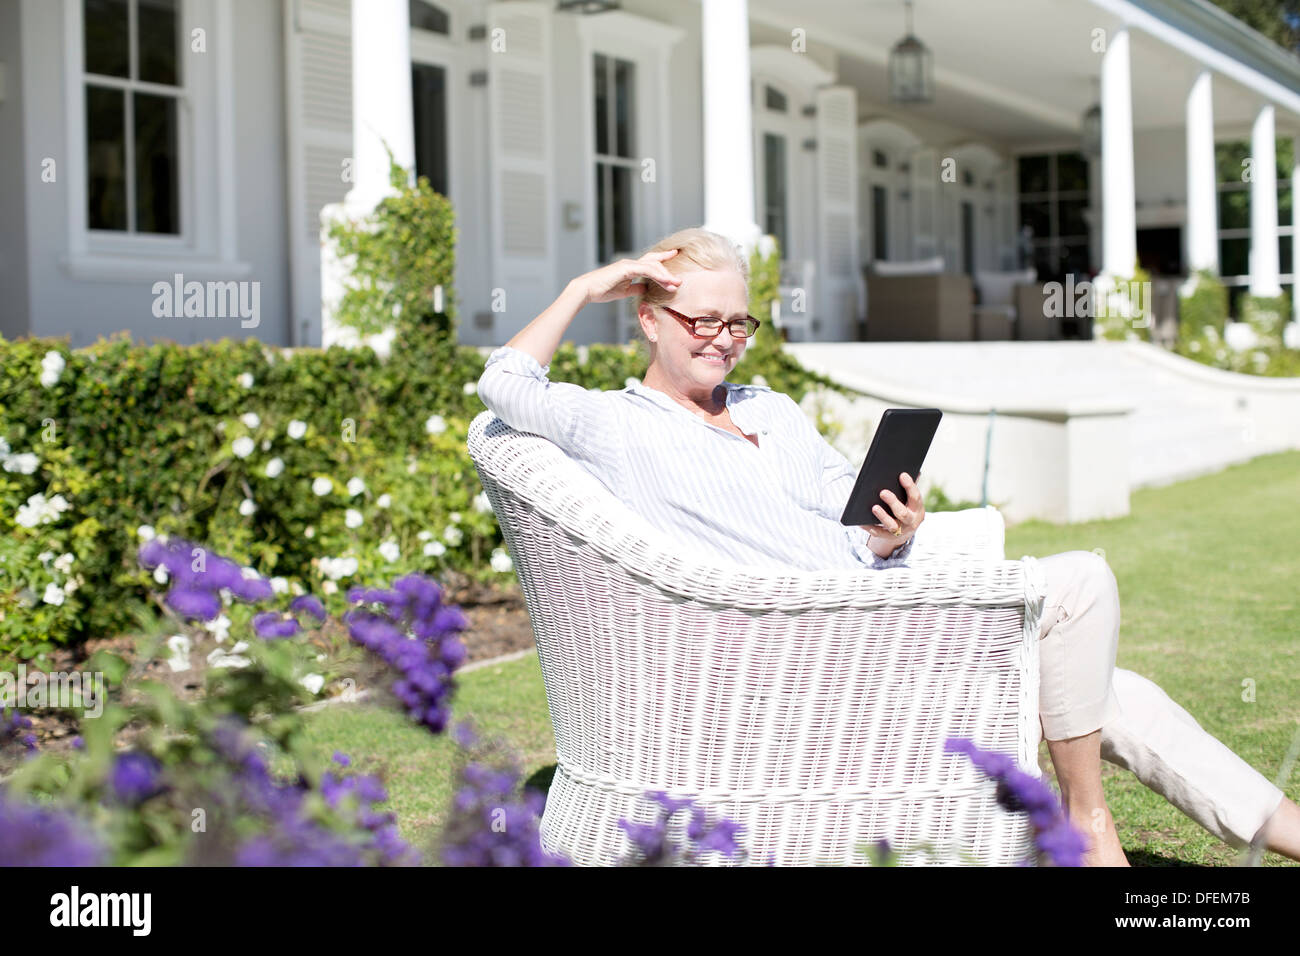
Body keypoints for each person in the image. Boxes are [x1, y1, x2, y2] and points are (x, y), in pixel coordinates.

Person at [476, 226, 1300, 867]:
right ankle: (1086, 824)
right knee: (1080, 583)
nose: (724, 338)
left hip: (874, 607)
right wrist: (589, 286)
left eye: (739, 322)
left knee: (1106, 691)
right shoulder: (617, 425)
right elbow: (504, 386)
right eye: (702, 320)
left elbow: (846, 502)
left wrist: (891, 527)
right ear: (649, 318)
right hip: (805, 652)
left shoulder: (770, 409)